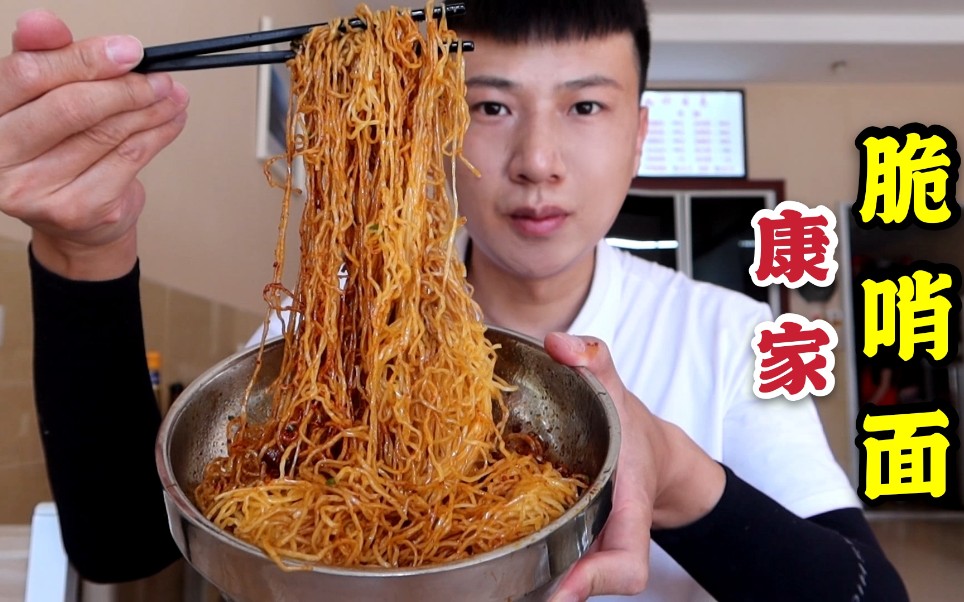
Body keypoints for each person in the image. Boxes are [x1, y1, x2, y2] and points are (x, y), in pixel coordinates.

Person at [0, 1, 908, 600]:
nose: (537, 161)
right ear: (431, 121)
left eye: (585, 108)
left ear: (640, 135)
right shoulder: (337, 329)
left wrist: (674, 472)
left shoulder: (732, 336)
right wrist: (86, 249)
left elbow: (866, 592)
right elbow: (125, 546)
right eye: (491, 106)